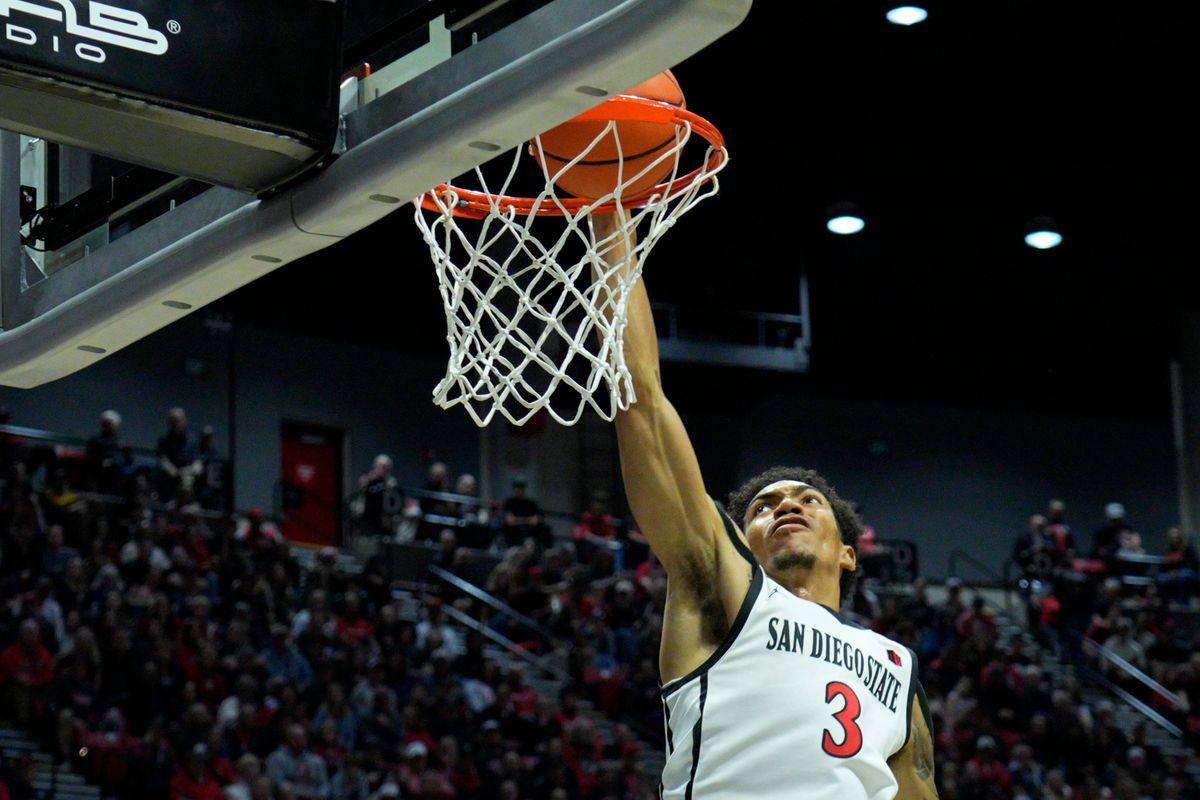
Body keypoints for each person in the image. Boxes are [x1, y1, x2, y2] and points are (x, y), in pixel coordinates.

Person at [592, 211, 935, 799]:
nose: (787, 506)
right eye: (763, 507)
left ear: (849, 553)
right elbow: (643, 400)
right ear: (740, 540)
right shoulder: (724, 590)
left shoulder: (896, 666)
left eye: (808, 501)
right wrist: (606, 216)